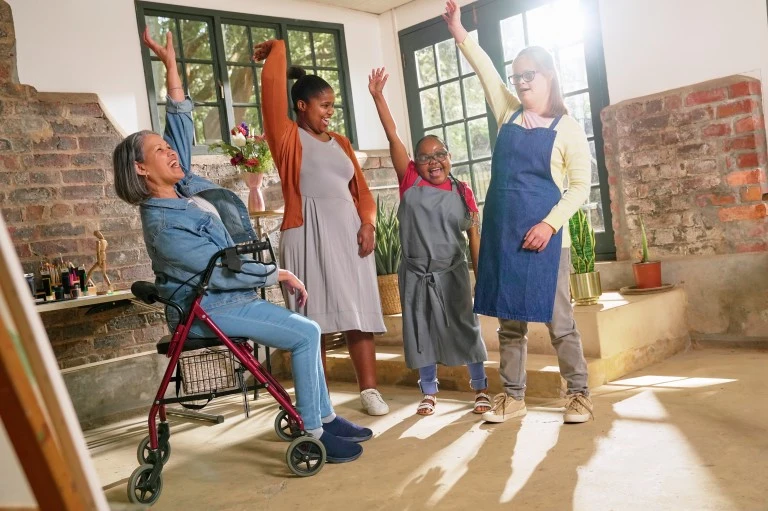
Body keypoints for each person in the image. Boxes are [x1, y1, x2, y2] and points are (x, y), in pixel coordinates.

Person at [111, 27, 372, 463]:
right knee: (306, 331)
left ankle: (323, 416)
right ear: (140, 169)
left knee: (301, 328)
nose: (173, 153)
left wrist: (172, 67)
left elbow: (178, 122)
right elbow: (217, 269)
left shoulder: (183, 188)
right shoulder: (162, 224)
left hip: (232, 299)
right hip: (212, 309)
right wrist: (277, 273)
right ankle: (314, 431)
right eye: (161, 151)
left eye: (169, 149)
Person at [443, 0, 594, 424]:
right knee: (510, 325)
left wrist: (548, 225)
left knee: (560, 322)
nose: (522, 81)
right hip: (505, 235)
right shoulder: (508, 112)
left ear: (549, 77)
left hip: (546, 241)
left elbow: (580, 187)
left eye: (530, 74)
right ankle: (512, 396)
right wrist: (458, 30)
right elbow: (484, 69)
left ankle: (579, 395)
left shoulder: (567, 128)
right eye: (518, 76)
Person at [254, 39, 389, 416]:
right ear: (302, 105)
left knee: (356, 313)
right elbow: (270, 92)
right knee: (312, 322)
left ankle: (370, 391)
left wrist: (368, 223)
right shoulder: (285, 138)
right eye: (325, 105)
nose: (331, 112)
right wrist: (279, 50)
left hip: (348, 234)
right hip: (305, 233)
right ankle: (319, 399)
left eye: (332, 105)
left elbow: (361, 191)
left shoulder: (341, 143)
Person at [367, 67, 490, 416]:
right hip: (415, 273)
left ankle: (480, 388)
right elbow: (393, 136)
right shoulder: (409, 182)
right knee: (420, 331)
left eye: (440, 154)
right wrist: (378, 97)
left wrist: (481, 280)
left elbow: (474, 236)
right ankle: (429, 393)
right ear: (416, 164)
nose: (433, 161)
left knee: (466, 328)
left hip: (452, 272)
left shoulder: (463, 191)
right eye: (425, 157)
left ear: (449, 157)